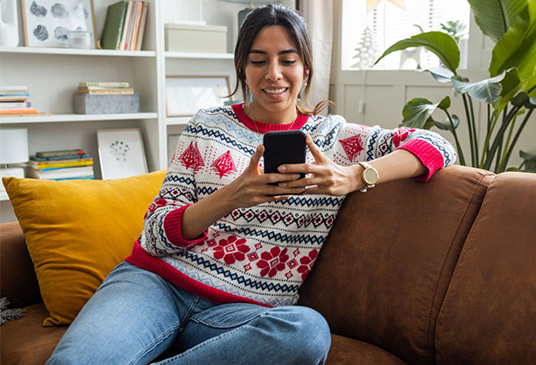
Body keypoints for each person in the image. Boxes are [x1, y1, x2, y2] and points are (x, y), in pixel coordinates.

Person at [48, 4, 456, 365]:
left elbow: (437, 145)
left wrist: (354, 175)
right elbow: (155, 234)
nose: (273, 74)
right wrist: (230, 197)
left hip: (240, 315)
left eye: (287, 60)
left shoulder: (336, 138)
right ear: (242, 68)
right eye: (258, 60)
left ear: (306, 68)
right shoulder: (207, 126)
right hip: (156, 284)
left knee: (307, 332)